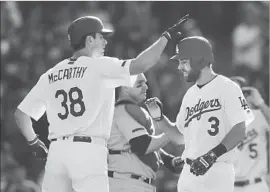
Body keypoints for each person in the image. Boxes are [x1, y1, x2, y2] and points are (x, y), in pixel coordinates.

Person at [14, 15, 188, 192]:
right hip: (89, 151)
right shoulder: (98, 66)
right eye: (100, 37)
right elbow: (140, 65)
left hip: (57, 151)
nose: (105, 41)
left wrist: (34, 143)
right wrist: (164, 38)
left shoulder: (50, 74)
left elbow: (21, 115)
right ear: (89, 40)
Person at [144, 36, 255, 192]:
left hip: (216, 172)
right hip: (188, 174)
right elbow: (179, 137)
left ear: (199, 60)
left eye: (183, 61)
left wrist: (212, 155)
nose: (179, 67)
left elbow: (239, 128)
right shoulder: (189, 95)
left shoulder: (227, 87)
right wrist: (159, 118)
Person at [107, 73, 185, 192]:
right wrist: (172, 130)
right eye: (139, 84)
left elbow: (142, 144)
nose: (145, 87)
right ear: (125, 87)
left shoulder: (132, 109)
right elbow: (143, 145)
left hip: (135, 183)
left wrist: (169, 160)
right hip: (126, 183)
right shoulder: (123, 109)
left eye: (145, 83)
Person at [230, 76, 270, 192]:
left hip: (256, 184)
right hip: (232, 186)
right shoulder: (221, 121)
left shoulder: (259, 115)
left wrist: (261, 103)